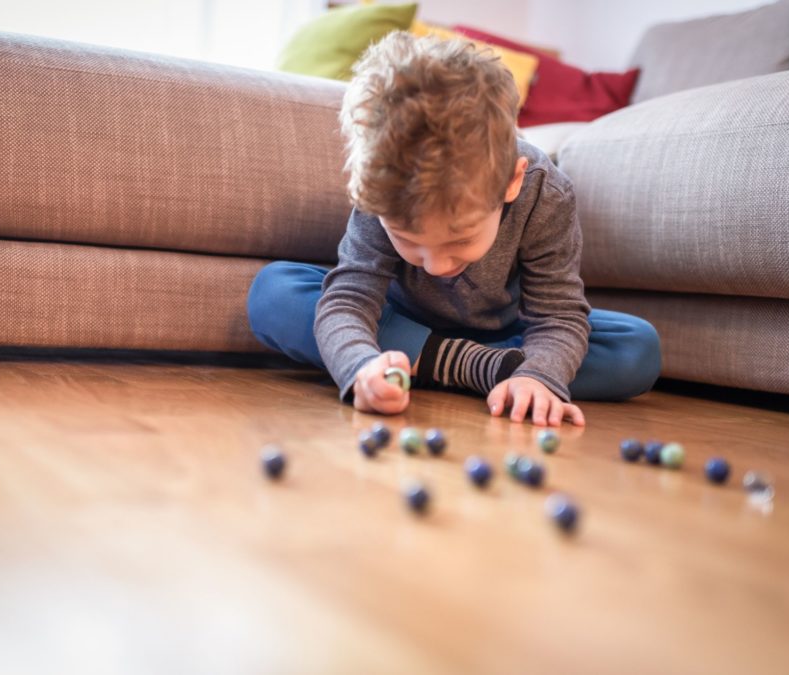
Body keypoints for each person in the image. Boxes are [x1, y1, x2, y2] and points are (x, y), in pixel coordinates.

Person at [247, 31, 660, 426]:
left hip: (501, 333)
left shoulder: (545, 193)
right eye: (408, 240)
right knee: (275, 292)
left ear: (512, 182)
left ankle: (438, 365)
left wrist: (539, 377)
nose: (436, 266)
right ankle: (477, 369)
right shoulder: (387, 185)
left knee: (635, 348)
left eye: (460, 240)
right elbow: (350, 299)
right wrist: (359, 366)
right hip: (398, 323)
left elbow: (558, 315)